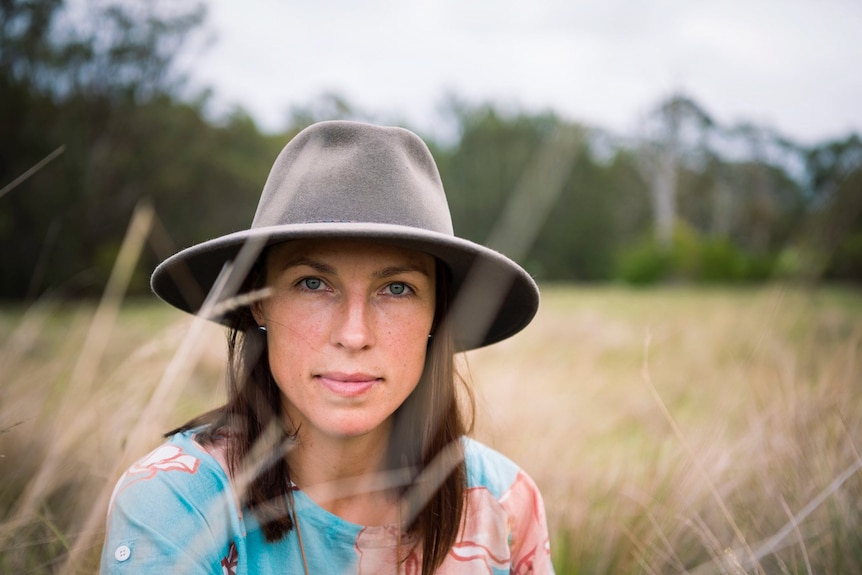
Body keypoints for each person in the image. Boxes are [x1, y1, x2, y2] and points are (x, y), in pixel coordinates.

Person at [101, 120, 553, 574]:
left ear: (439, 311)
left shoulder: (504, 505)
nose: (354, 335)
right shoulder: (175, 506)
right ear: (257, 301)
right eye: (313, 283)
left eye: (396, 289)